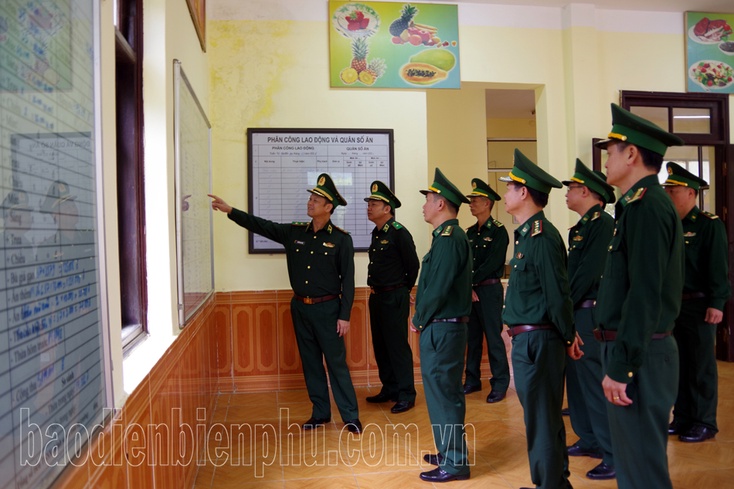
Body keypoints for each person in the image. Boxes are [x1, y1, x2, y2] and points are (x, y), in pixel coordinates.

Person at [209, 173, 362, 434]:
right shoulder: (293, 233)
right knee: (310, 362)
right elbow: (261, 225)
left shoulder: (341, 239)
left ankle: (350, 416)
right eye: (311, 198)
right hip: (300, 307)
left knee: (336, 363)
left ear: (329, 207)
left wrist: (344, 315)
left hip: (329, 310)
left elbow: (348, 281)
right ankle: (320, 413)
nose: (310, 202)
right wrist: (230, 211)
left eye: (317, 199)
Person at [594, 103, 685, 489]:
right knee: (633, 464)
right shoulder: (635, 206)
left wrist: (622, 366)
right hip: (634, 350)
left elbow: (645, 294)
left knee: (642, 469)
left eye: (610, 152)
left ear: (630, 153)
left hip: (641, 355)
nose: (605, 161)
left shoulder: (647, 207)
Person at [500, 148, 580, 489]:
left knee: (543, 419)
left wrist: (567, 334)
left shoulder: (542, 237)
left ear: (523, 193)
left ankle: (550, 484)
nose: (504, 193)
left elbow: (557, 292)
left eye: (509, 187)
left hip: (540, 340)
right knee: (541, 417)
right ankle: (552, 482)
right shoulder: (526, 235)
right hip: (530, 338)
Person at [662, 162, 731, 443]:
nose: (668, 195)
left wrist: (718, 302)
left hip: (700, 305)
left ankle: (704, 421)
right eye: (666, 189)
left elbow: (718, 267)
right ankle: (682, 417)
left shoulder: (708, 225)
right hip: (673, 307)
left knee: (701, 365)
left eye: (673, 190)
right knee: (678, 364)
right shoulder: (670, 226)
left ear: (690, 193)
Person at [412, 168, 472, 483]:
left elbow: (438, 286)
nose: (424, 206)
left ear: (441, 205)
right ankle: (449, 452)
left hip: (443, 327)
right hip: (442, 325)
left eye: (429, 200)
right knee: (441, 393)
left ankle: (455, 462)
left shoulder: (450, 238)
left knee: (444, 394)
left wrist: (419, 318)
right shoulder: (445, 237)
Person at [562, 159, 616, 480]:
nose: (566, 194)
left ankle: (611, 452)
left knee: (594, 380)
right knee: (578, 378)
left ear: (586, 191)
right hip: (575, 309)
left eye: (570, 189)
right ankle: (589, 437)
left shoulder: (602, 224)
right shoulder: (581, 227)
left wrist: (564, 303)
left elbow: (588, 272)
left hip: (590, 310)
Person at [364, 180, 420, 413]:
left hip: (394, 296)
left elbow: (413, 265)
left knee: (397, 346)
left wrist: (403, 290)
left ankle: (407, 393)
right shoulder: (377, 234)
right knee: (381, 345)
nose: (369, 207)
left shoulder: (399, 233)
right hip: (376, 296)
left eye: (374, 204)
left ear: (387, 208)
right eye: (369, 203)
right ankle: (390, 388)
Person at [462, 178, 510, 403]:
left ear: (488, 203)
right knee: (471, 338)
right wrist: (469, 286)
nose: (471, 203)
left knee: (493, 337)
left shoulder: (499, 232)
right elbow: (464, 262)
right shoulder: (469, 232)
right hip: (471, 292)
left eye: (476, 200)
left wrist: (471, 282)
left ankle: (500, 383)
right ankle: (472, 379)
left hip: (489, 291)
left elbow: (492, 264)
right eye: (471, 200)